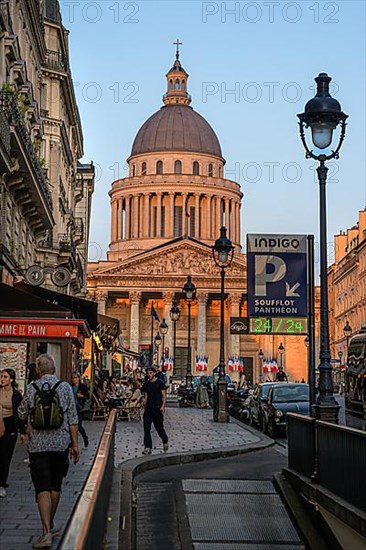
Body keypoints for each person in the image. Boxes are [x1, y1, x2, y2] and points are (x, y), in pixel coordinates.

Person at [18, 354, 79, 549]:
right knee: (55, 486)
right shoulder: (65, 387)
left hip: (37, 446)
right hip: (60, 444)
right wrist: (75, 444)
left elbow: (21, 413)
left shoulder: (31, 388)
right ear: (54, 369)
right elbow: (72, 418)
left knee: (41, 487)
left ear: (38, 370)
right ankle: (50, 524)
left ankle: (46, 532)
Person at [0, 368, 26, 498]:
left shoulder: (16, 394)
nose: (2, 379)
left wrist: (22, 431)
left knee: (6, 456)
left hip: (10, 426)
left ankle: (2, 483)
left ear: (11, 379)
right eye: (1, 377)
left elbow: (20, 413)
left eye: (5, 377)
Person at [141, 366, 168, 455]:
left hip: (157, 408)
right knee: (146, 427)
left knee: (159, 428)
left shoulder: (160, 383)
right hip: (148, 408)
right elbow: (146, 396)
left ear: (154, 373)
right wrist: (144, 404)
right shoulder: (146, 384)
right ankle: (147, 447)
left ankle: (165, 439)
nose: (149, 375)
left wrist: (163, 406)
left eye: (150, 373)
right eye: (148, 373)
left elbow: (164, 395)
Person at [71, 373, 89, 448]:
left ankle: (85, 437)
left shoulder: (83, 387)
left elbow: (87, 397)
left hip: (80, 408)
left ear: (78, 378)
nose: (74, 379)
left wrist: (82, 396)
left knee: (78, 425)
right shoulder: (71, 387)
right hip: (72, 408)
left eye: (75, 378)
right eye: (73, 378)